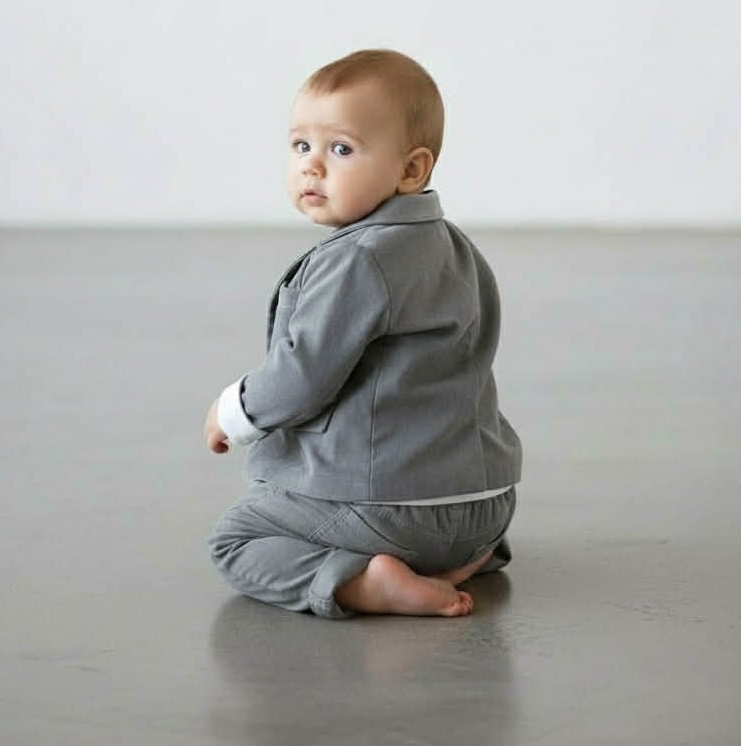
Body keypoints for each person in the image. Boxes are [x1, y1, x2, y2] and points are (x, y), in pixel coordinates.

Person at [205, 49, 522, 619]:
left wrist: (235, 411)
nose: (312, 166)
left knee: (237, 540)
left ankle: (363, 583)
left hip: (391, 511)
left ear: (411, 170)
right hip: (485, 508)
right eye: (301, 145)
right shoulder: (458, 250)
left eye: (341, 149)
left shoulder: (358, 259)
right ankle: (461, 559)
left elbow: (302, 376)